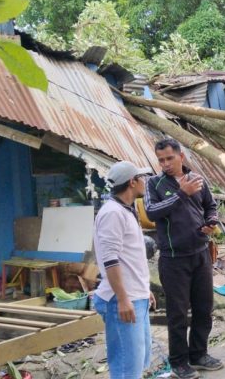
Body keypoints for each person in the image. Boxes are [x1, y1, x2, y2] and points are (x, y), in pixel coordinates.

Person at [144, 139, 223, 378]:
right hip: (173, 258)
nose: (165, 164)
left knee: (203, 308)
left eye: (169, 158)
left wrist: (211, 222)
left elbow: (211, 206)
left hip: (200, 254)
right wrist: (181, 193)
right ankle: (178, 362)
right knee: (177, 313)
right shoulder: (153, 184)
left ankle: (198, 354)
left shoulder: (198, 179)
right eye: (161, 160)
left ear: (181, 156)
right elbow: (151, 212)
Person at [93, 161, 155, 379]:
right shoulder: (112, 213)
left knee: (139, 361)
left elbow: (130, 257)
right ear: (132, 182)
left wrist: (144, 289)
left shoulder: (126, 209)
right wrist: (122, 299)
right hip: (121, 299)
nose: (145, 182)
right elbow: (111, 261)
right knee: (126, 369)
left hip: (135, 295)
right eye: (142, 178)